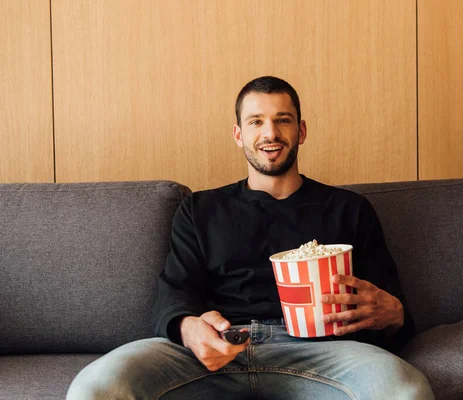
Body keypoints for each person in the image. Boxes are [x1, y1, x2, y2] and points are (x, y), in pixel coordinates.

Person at [67, 76, 434, 399]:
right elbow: (174, 290)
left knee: (406, 389)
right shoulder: (201, 209)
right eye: (256, 121)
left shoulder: (349, 209)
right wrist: (188, 326)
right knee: (95, 388)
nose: (270, 133)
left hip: (321, 353)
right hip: (216, 351)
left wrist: (395, 314)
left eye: (282, 120)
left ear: (301, 131)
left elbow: (391, 306)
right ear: (239, 133)